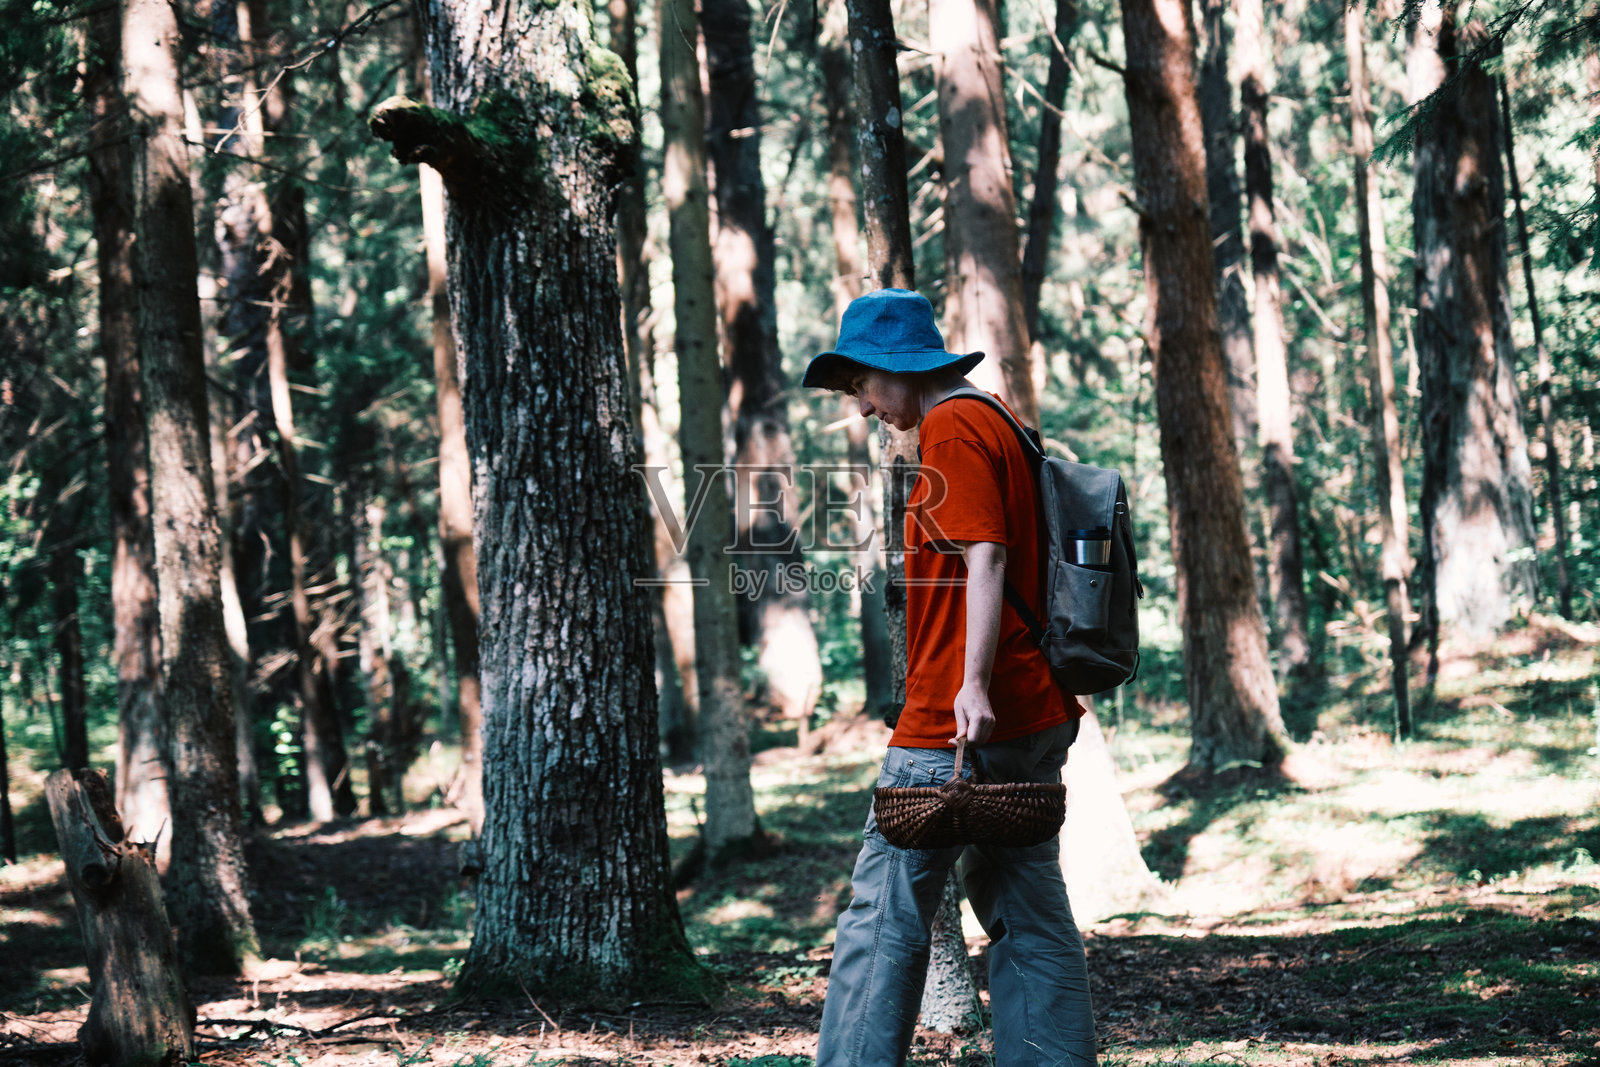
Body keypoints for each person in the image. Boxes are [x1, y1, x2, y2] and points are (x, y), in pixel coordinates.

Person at [803, 288, 1095, 1067]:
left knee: (881, 918)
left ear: (895, 367)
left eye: (862, 385)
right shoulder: (998, 417)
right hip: (1033, 713)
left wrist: (970, 686)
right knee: (1030, 917)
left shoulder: (954, 425)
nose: (864, 408)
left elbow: (986, 558)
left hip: (956, 724)